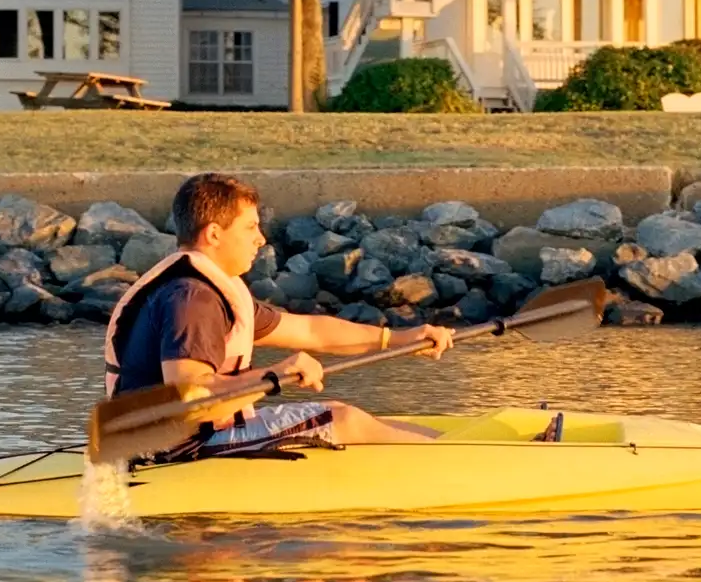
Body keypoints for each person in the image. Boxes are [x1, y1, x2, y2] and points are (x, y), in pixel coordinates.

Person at [104, 172, 456, 456]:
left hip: (179, 439)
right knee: (342, 419)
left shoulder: (211, 288)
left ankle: (451, 448)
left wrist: (397, 338)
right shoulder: (191, 298)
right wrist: (276, 372)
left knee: (340, 415)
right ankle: (456, 461)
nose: (261, 239)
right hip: (173, 450)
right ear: (213, 234)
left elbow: (311, 332)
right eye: (249, 227)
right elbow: (192, 397)